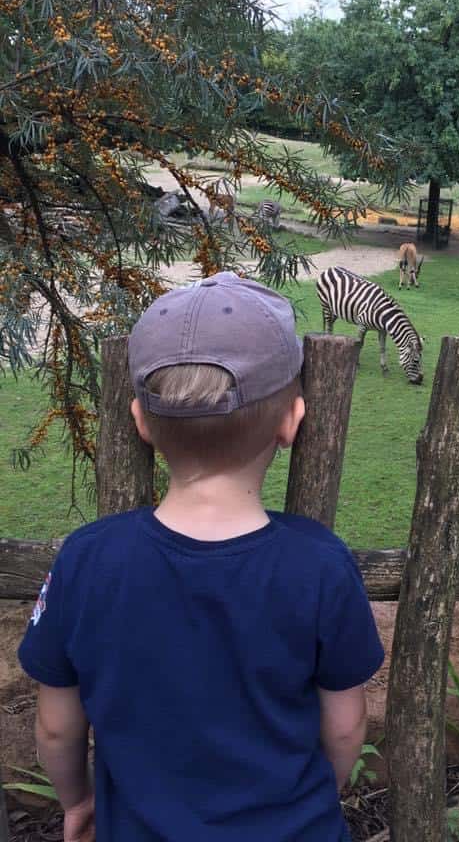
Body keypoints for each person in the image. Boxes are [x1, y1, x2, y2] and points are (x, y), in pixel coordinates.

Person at [18, 271, 385, 842]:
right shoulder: (321, 565)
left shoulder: (86, 561)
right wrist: (319, 801)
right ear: (291, 422)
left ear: (140, 422)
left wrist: (78, 800)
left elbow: (58, 728)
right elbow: (344, 728)